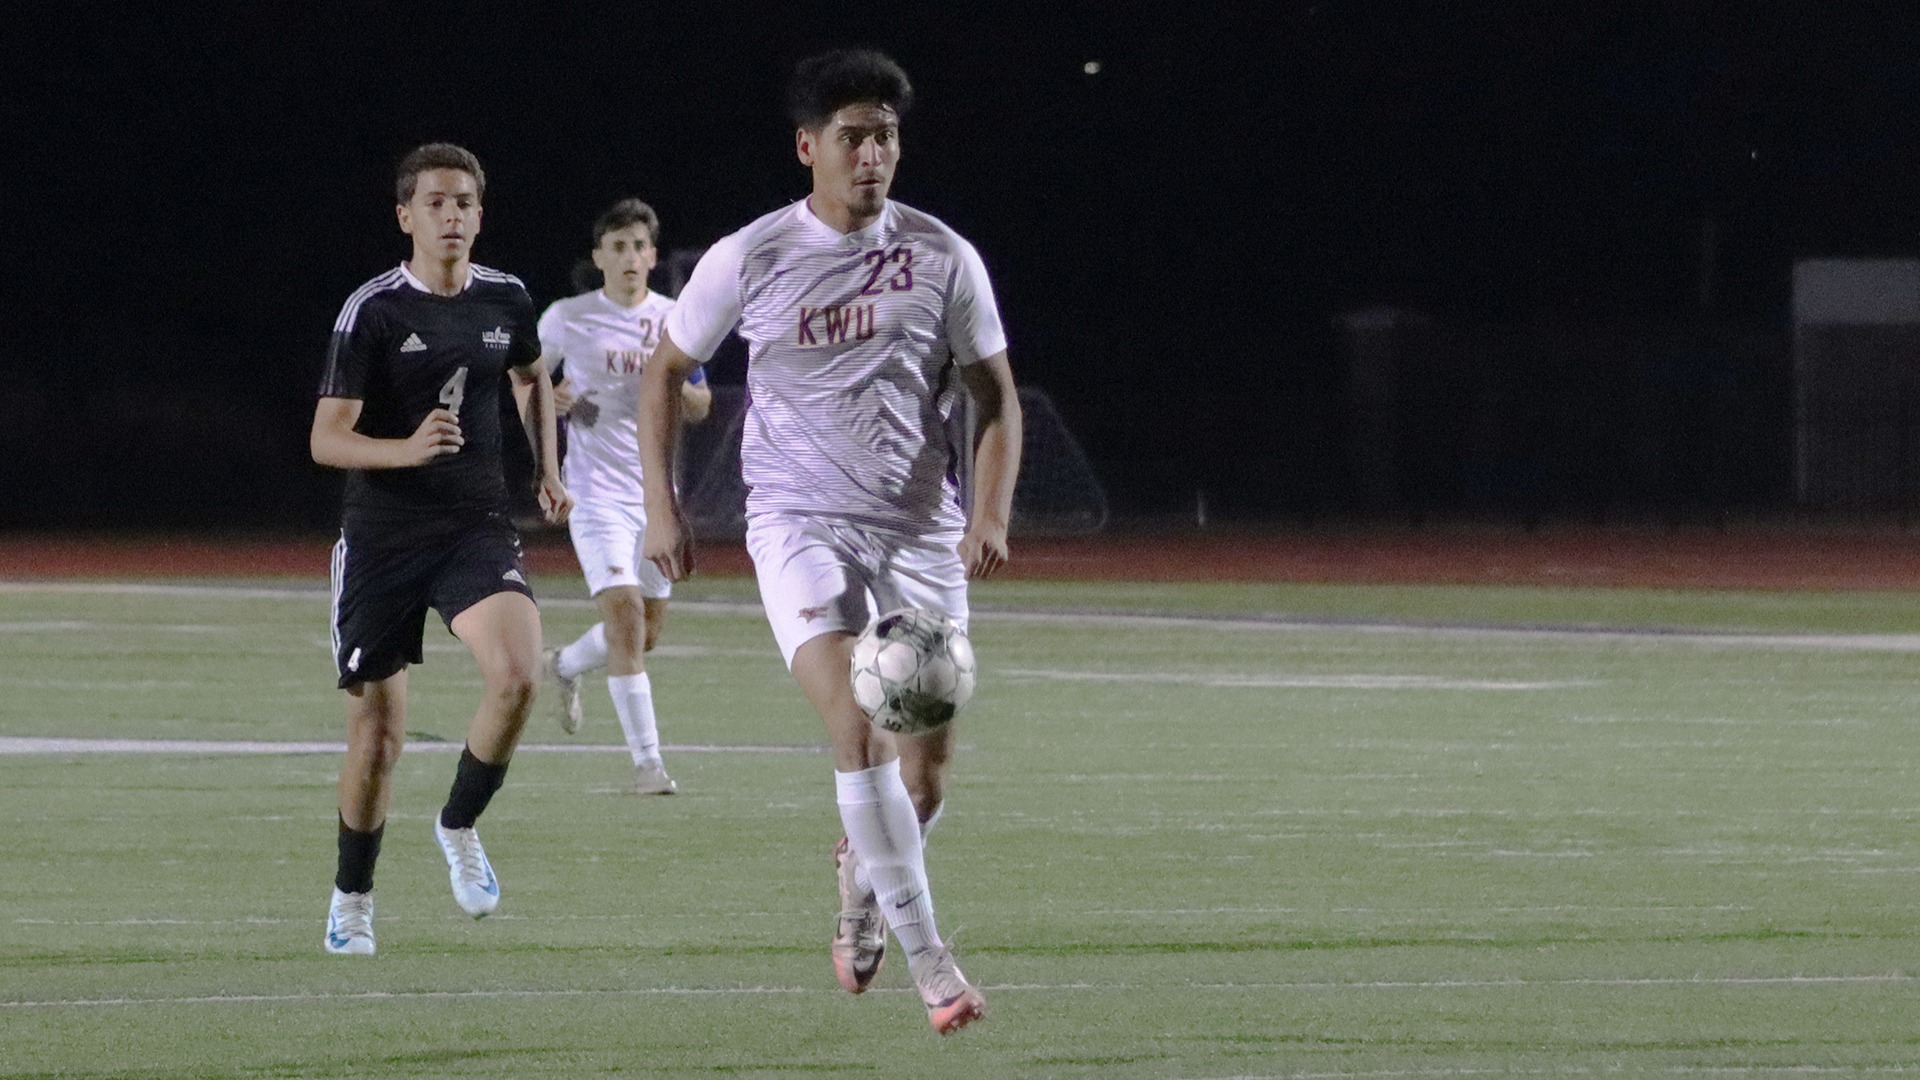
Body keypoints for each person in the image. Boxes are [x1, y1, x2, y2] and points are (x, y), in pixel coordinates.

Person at [636, 49, 1021, 1035]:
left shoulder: (944, 256)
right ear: (810, 146)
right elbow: (665, 368)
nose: (871, 154)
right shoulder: (751, 255)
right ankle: (933, 964)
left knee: (923, 774)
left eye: (885, 135)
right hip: (798, 524)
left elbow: (996, 400)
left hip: (918, 537)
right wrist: (663, 506)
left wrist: (988, 511)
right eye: (852, 136)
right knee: (856, 722)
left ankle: (862, 876)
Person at [311, 142, 571, 955]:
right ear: (406, 216)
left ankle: (458, 824)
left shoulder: (507, 296)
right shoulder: (374, 310)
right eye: (435, 203)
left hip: (473, 528)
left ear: (479, 213)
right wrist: (408, 448)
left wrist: (548, 471)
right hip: (384, 538)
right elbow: (326, 439)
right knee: (378, 739)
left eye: (464, 202)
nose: (451, 215)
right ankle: (352, 898)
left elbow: (532, 378)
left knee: (519, 676)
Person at [535, 198, 712, 794]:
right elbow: (524, 376)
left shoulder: (675, 318)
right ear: (599, 258)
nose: (630, 257)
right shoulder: (568, 317)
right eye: (618, 247)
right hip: (594, 496)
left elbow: (700, 401)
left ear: (653, 256)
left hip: (656, 499)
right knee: (626, 618)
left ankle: (561, 665)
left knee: (645, 634)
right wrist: (550, 402)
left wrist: (671, 390)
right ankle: (648, 764)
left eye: (639, 246)